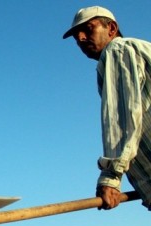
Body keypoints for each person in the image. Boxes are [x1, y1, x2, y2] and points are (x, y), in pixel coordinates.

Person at [63, 6, 151, 211]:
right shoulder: (140, 48)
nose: (81, 39)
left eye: (88, 29)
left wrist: (111, 176)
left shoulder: (117, 50)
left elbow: (123, 116)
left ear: (111, 28)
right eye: (76, 36)